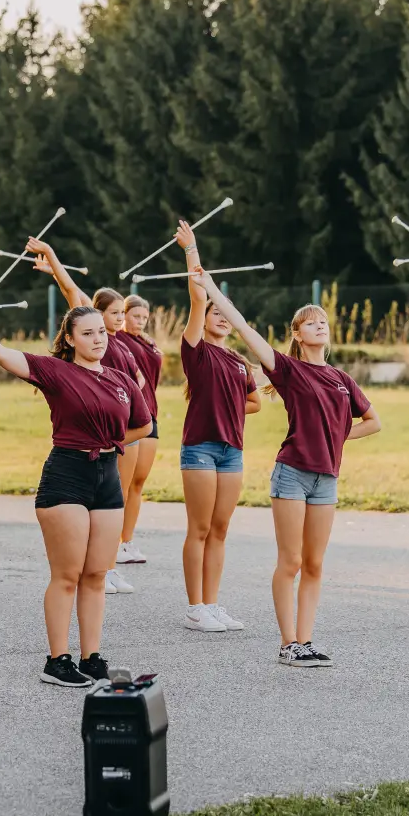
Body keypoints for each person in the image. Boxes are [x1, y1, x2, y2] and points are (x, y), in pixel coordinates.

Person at [0, 286, 152, 687]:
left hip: (108, 476)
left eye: (102, 332)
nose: (98, 339)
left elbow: (144, 425)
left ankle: (91, 657)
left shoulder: (120, 379)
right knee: (68, 574)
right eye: (88, 333)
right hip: (67, 474)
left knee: (97, 573)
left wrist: (111, 440)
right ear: (70, 339)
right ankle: (57, 661)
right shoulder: (55, 371)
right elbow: (0, 353)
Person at [195, 275, 382, 668]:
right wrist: (211, 288)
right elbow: (244, 329)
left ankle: (306, 640)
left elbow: (373, 421)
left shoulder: (341, 378)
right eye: (311, 322)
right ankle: (288, 644)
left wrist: (336, 436)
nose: (320, 325)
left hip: (326, 479)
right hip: (293, 473)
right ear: (297, 333)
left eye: (323, 322)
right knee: (291, 561)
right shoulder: (288, 369)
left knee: (315, 565)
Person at [26, 238, 145, 595]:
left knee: (118, 492)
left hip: (128, 422)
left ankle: (106, 563)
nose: (119, 319)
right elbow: (73, 293)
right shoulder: (90, 339)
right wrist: (54, 259)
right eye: (114, 313)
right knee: (107, 489)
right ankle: (102, 568)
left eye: (122, 314)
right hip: (96, 425)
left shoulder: (122, 344)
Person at [174, 221, 260, 633]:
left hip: (232, 449)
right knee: (201, 527)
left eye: (226, 313)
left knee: (221, 529)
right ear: (205, 318)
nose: (222, 318)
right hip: (200, 448)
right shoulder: (196, 349)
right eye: (216, 312)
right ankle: (195, 607)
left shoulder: (240, 362)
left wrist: (233, 404)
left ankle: (213, 603)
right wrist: (193, 252)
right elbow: (196, 296)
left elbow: (256, 401)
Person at [114, 293, 165, 566]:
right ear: (123, 315)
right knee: (122, 483)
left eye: (145, 317)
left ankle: (127, 541)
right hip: (129, 415)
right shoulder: (116, 340)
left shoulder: (148, 342)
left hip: (150, 413)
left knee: (139, 482)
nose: (140, 321)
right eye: (135, 316)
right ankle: (111, 543)